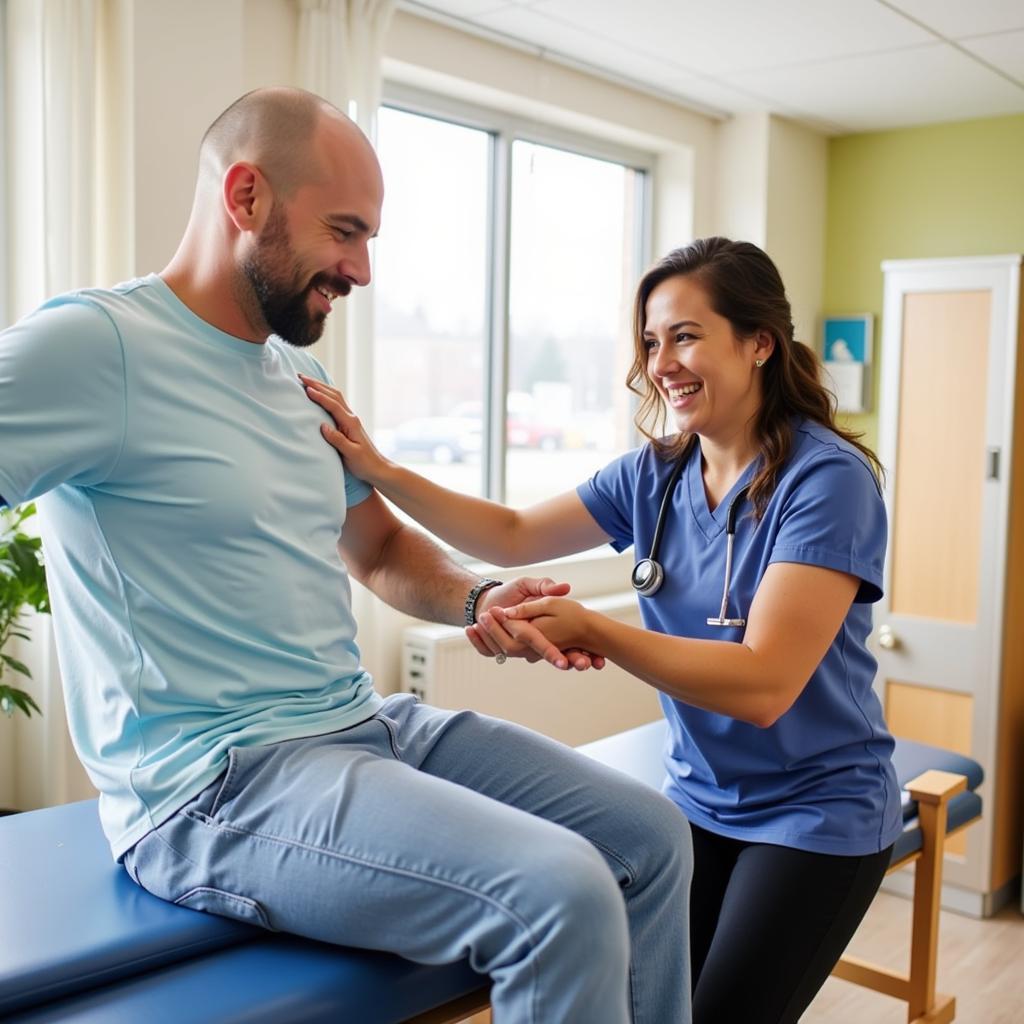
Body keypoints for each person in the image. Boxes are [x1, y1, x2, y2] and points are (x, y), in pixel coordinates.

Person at [0, 88, 694, 1024]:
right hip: (215, 782)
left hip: (362, 726)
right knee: (560, 893)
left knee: (650, 835)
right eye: (344, 231)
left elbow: (377, 548)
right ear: (246, 197)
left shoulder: (303, 377)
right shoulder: (97, 346)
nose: (362, 269)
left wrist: (479, 599)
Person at [304, 236, 904, 1024]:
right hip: (698, 800)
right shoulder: (656, 473)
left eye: (686, 335)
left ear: (759, 343)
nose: (662, 362)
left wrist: (598, 629)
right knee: (653, 1007)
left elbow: (764, 685)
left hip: (816, 813)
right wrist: (382, 472)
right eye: (653, 342)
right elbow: (514, 534)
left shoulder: (826, 482)